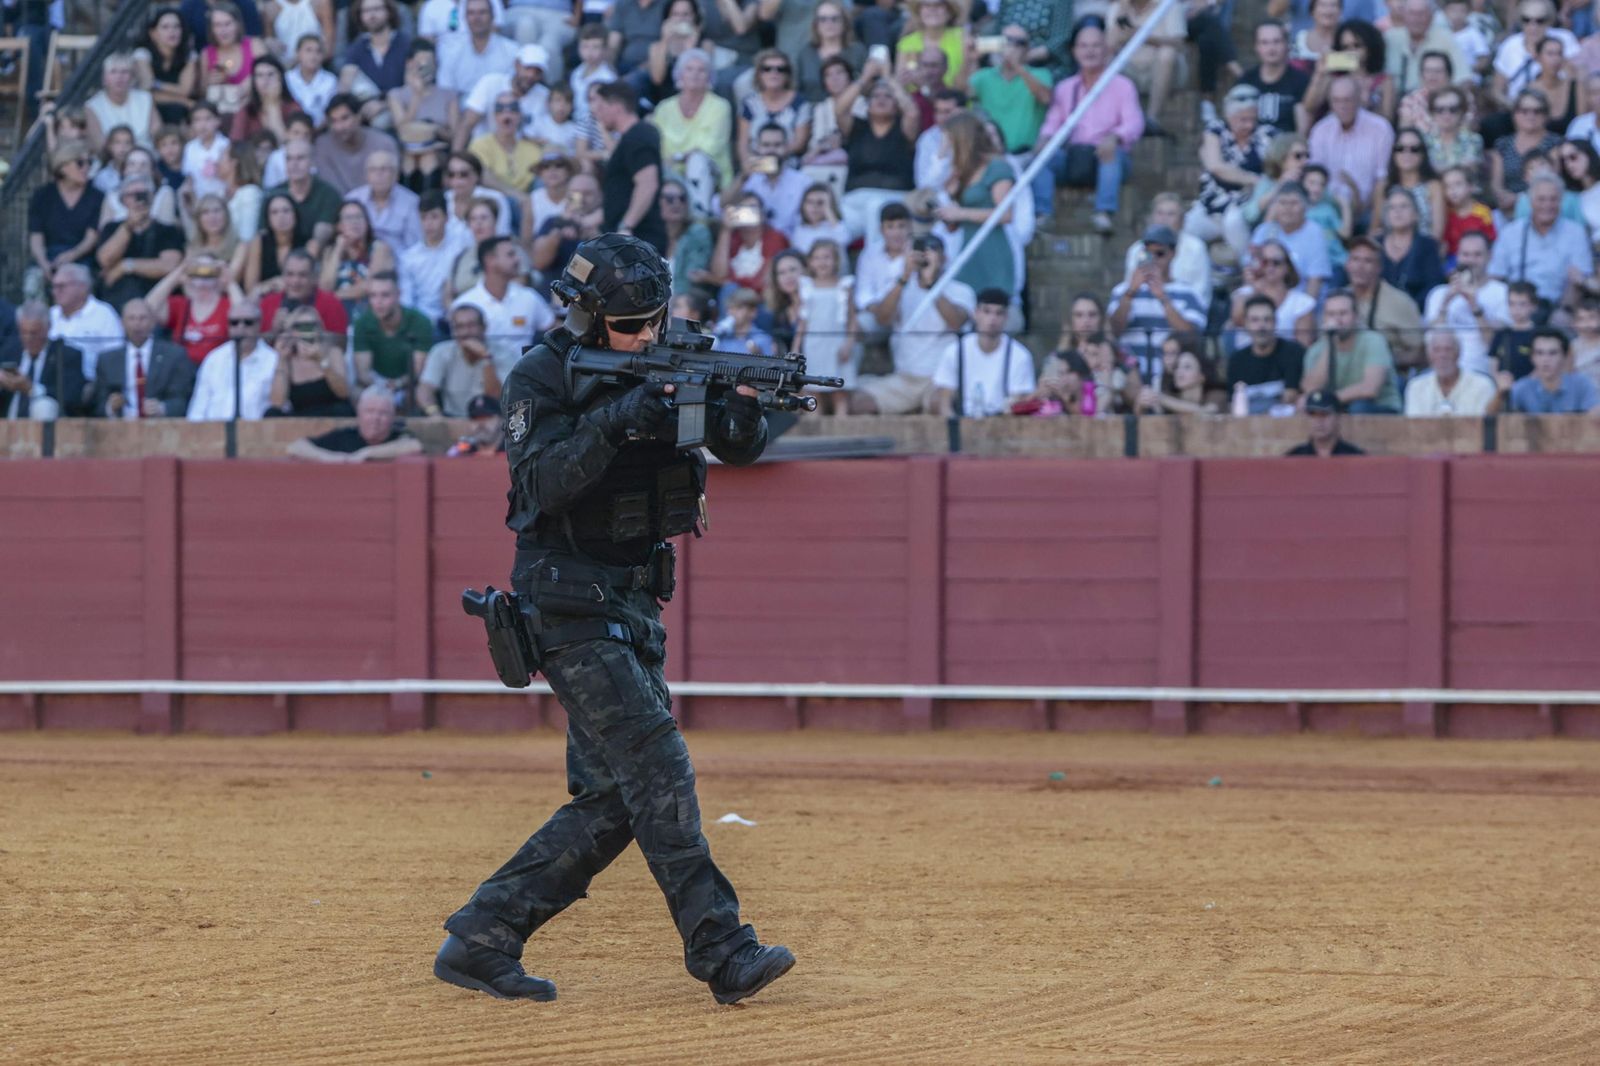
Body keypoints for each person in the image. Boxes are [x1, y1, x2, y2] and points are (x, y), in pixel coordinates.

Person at [434, 231, 792, 1007]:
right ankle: (722, 948)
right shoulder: (540, 376)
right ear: (590, 317)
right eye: (632, 327)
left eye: (656, 321)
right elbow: (539, 484)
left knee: (611, 801)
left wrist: (739, 412)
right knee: (657, 766)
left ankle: (485, 934)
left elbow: (735, 448)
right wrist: (623, 414)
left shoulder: (667, 359)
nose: (649, 337)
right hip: (564, 598)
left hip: (631, 600)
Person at [1031, 22, 1144, 234]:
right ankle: (1043, 215)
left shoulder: (1122, 85)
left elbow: (1134, 123)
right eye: (1083, 46)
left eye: (1095, 46)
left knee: (1110, 153)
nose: (1089, 51)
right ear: (1075, 51)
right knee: (1041, 158)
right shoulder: (1066, 87)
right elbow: (1053, 124)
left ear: (1105, 49)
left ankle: (1104, 213)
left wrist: (1115, 137)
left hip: (1109, 156)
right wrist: (1044, 140)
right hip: (1075, 157)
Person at [853, 233, 974, 414]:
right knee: (859, 403)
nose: (925, 258)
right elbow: (882, 319)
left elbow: (955, 322)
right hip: (905, 379)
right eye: (920, 253)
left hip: (941, 380)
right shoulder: (900, 288)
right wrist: (904, 277)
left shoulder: (961, 290)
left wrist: (932, 284)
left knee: (939, 405)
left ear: (945, 258)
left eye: (931, 253)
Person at [833, 54, 920, 245]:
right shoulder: (857, 128)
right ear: (867, 104)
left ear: (897, 104)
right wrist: (865, 78)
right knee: (834, 234)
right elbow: (839, 109)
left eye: (888, 96)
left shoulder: (902, 130)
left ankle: (874, 264)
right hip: (854, 202)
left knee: (876, 208)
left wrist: (889, 78)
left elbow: (912, 112)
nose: (881, 100)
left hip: (895, 198)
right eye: (876, 96)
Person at [1107, 224, 1207, 384]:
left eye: (1159, 254)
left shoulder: (1190, 294)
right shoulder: (1121, 291)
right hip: (1130, 380)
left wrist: (1163, 298)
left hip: (1172, 381)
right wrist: (1130, 292)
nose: (1152, 259)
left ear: (1173, 254)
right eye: (1147, 253)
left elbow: (1191, 337)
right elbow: (1113, 331)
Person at [935, 111, 1017, 301]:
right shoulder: (961, 171)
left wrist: (961, 213)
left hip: (991, 247)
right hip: (964, 245)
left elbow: (1006, 214)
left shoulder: (997, 167)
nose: (947, 145)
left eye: (949, 140)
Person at [1487, 172, 1593, 312]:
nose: (1547, 205)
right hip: (1517, 309)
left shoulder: (1576, 233)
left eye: (1553, 199)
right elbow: (1496, 275)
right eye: (1541, 199)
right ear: (1530, 202)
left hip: (1558, 308)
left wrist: (1564, 311)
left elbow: (1578, 280)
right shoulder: (1510, 232)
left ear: (1561, 201)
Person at [1189, 83, 1274, 256]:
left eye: (1252, 119)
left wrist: (1231, 173)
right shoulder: (1216, 130)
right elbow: (1216, 167)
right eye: (1243, 119)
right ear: (1229, 116)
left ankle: (1248, 268)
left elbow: (1273, 173)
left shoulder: (1267, 134)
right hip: (1212, 203)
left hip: (1247, 204)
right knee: (1189, 228)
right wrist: (1253, 179)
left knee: (1233, 222)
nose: (1249, 125)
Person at [650, 49, 732, 219]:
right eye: (689, 69)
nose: (695, 75)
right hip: (670, 169)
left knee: (697, 162)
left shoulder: (720, 106)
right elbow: (657, 144)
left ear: (709, 77)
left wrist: (678, 157)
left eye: (701, 70)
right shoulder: (664, 108)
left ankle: (699, 219)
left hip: (710, 171)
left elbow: (711, 146)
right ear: (679, 75)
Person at [931, 287, 1036, 417]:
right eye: (986, 312)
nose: (992, 319)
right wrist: (954, 428)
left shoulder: (1020, 355)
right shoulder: (955, 351)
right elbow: (944, 396)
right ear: (976, 313)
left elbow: (1019, 399)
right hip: (963, 420)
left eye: (999, 313)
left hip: (1002, 423)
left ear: (1006, 317)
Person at [592, 82, 667, 254]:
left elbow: (648, 183)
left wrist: (626, 226)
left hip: (639, 240)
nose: (598, 113)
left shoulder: (638, 135)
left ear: (616, 107)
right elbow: (620, 196)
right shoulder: (629, 139)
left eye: (602, 107)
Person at [1307, 74, 1393, 222]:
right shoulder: (1320, 130)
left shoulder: (1380, 129)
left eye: (1348, 100)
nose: (1342, 106)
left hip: (1366, 211)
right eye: (1337, 100)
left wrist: (1374, 226)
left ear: (1359, 99)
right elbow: (1314, 177)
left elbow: (1381, 181)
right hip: (1327, 209)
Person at [1300, 289, 1402, 413]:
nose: (1337, 320)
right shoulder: (1316, 350)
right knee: (1305, 408)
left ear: (1355, 316)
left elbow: (1370, 388)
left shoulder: (1374, 341)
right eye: (1331, 314)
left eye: (1343, 313)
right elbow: (1311, 390)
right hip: (1334, 410)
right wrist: (1330, 344)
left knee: (1358, 407)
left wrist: (1330, 400)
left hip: (1379, 409)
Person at [92, 298, 196, 419]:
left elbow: (182, 398)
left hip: (161, 427)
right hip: (121, 428)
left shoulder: (174, 355)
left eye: (143, 318)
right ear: (122, 323)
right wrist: (110, 407)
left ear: (153, 322)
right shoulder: (107, 360)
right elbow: (97, 403)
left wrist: (162, 408)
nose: (137, 323)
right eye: (131, 318)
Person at [1422, 230, 1507, 377]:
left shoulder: (1502, 292)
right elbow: (1430, 343)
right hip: (1440, 373)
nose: (1470, 261)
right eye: (1465, 255)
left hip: (1481, 373)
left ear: (1489, 256)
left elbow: (1496, 346)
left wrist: (1475, 306)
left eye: (1477, 255)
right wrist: (1446, 303)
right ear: (1457, 256)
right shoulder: (1438, 294)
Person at [95, 176, 186, 312]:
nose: (139, 199)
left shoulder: (168, 230)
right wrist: (129, 226)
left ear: (153, 197)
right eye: (133, 195)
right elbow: (105, 259)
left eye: (144, 194)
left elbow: (169, 266)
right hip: (117, 298)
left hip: (155, 301)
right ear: (123, 200)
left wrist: (126, 265)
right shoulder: (111, 228)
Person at [29, 142, 106, 293]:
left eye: (89, 162)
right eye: (80, 163)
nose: (86, 168)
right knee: (32, 283)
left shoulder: (97, 196)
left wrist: (71, 255)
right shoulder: (42, 196)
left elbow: (91, 238)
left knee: (78, 282)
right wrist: (43, 263)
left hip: (82, 258)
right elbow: (36, 237)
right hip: (49, 256)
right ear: (62, 166)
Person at [416, 302, 519, 415]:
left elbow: (498, 398)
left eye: (471, 325)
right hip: (454, 421)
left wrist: (486, 358)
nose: (465, 332)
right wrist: (434, 414)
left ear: (484, 327)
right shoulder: (441, 352)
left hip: (494, 421)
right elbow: (425, 389)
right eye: (459, 327)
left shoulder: (504, 354)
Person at [965, 24, 1053, 155]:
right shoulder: (983, 76)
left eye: (1019, 43)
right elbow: (964, 95)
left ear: (1028, 48)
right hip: (991, 154)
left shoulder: (1040, 74)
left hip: (1026, 155)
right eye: (1005, 41)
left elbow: (1045, 98)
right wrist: (970, 60)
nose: (1011, 47)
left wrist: (1017, 65)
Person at [453, 235, 557, 345]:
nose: (517, 259)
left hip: (523, 362)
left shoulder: (529, 297)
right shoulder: (463, 303)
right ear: (490, 260)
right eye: (510, 255)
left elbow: (554, 329)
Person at [186, 300, 279, 419]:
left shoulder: (273, 360)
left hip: (257, 435)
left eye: (248, 322)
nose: (241, 327)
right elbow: (198, 408)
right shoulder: (214, 358)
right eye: (234, 323)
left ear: (259, 325)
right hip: (213, 434)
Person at [1345, 236, 1425, 371]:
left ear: (1379, 267)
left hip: (1389, 374)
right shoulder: (1338, 299)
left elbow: (1420, 353)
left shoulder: (1400, 302)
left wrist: (1384, 359)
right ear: (1347, 265)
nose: (1359, 267)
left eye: (1368, 261)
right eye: (1355, 259)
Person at [1, 303, 87, 421]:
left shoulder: (65, 355)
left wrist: (31, 389)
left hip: (51, 422)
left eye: (34, 333)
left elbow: (71, 397)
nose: (28, 338)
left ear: (48, 328)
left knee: (43, 407)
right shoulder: (10, 351)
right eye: (23, 332)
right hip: (8, 421)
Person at [457, 44, 553, 149]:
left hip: (523, 156)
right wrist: (455, 157)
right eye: (527, 68)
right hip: (484, 151)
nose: (531, 75)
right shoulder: (490, 83)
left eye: (537, 71)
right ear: (517, 65)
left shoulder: (545, 96)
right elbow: (468, 123)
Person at [401, 190, 472, 325]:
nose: (428, 224)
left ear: (447, 218)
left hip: (458, 318)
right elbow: (407, 300)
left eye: (434, 217)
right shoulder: (408, 258)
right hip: (422, 322)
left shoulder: (462, 244)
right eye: (423, 218)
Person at [353, 271, 434, 391]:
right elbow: (363, 373)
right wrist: (381, 389)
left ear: (398, 295)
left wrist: (397, 385)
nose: (378, 302)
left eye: (385, 295)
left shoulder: (420, 322)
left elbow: (417, 371)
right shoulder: (362, 323)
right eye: (373, 296)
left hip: (409, 387)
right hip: (376, 385)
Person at [266, 306, 354, 415]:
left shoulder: (333, 352)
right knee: (271, 413)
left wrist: (321, 360)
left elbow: (344, 393)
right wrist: (282, 359)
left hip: (332, 413)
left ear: (319, 329)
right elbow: (277, 402)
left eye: (311, 325)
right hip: (301, 416)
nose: (306, 331)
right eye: (299, 326)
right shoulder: (288, 358)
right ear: (292, 331)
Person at [262, 137, 342, 253]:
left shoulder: (328, 194)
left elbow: (321, 236)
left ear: (312, 161)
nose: (294, 164)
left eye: (300, 158)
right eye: (289, 159)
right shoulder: (272, 195)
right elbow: (262, 234)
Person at [48, 264, 125, 385]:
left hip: (91, 384)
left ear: (83, 287)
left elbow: (115, 356)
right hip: (51, 382)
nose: (56, 292)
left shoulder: (103, 314)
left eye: (61, 286)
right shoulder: (50, 314)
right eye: (54, 287)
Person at [1229, 293, 1305, 412]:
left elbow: (1292, 397)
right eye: (1255, 320)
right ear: (1246, 324)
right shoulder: (1237, 360)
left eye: (1267, 320)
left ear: (1275, 322)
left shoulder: (1294, 353)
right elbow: (1233, 405)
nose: (1261, 326)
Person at [736, 123, 813, 238]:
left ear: (786, 147)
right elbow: (720, 209)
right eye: (766, 145)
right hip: (755, 245)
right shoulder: (748, 180)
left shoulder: (803, 183)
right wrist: (742, 177)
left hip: (792, 247)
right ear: (757, 147)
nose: (771, 150)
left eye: (777, 145)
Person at [1377, 185, 1446, 310]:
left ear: (1416, 214)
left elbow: (1434, 284)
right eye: (1392, 207)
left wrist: (1409, 307)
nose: (1398, 211)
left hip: (1416, 314)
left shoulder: (1427, 245)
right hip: (1379, 313)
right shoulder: (1376, 244)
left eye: (1404, 206)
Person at [314, 94, 398, 195]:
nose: (339, 127)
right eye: (334, 121)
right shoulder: (323, 145)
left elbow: (389, 185)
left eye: (344, 118)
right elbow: (331, 189)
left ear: (358, 117)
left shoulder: (384, 143)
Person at [1384, 0, 1468, 100]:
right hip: (1394, 103)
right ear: (1404, 15)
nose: (1416, 19)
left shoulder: (1444, 39)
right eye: (1412, 13)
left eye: (1421, 14)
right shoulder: (1390, 38)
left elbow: (1464, 78)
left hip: (1433, 104)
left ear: (1431, 17)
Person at [1404, 328, 1499, 415]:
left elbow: (1482, 426)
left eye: (1448, 349)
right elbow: (1413, 428)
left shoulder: (1482, 385)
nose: (1442, 355)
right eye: (1436, 350)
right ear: (1429, 355)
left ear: (1458, 353)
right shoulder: (1416, 387)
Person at [1241, 20, 1309, 137]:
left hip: (1285, 148)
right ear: (1256, 47)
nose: (1271, 48)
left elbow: (1302, 131)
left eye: (1276, 42)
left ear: (1286, 44)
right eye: (1264, 43)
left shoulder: (1301, 80)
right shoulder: (1246, 81)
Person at [346, 149, 422, 253]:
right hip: (359, 259)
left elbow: (414, 246)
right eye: (373, 170)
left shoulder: (412, 202)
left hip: (397, 263)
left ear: (396, 174)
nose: (379, 174)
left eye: (384, 169)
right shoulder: (353, 199)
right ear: (366, 175)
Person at [261, 248, 351, 335]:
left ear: (314, 277)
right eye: (290, 274)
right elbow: (254, 346)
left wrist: (318, 333)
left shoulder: (331, 304)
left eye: (302, 275)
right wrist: (273, 332)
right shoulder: (267, 304)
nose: (295, 281)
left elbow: (341, 344)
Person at [1509, 328, 1600, 411]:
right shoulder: (1522, 388)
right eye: (1540, 353)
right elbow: (1499, 418)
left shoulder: (1581, 384)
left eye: (1553, 353)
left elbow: (1595, 418)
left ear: (1564, 356)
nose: (1546, 359)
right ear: (1532, 357)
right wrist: (1500, 394)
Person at [86, 52, 160, 151]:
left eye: (124, 72)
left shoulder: (145, 98)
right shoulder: (92, 106)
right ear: (104, 79)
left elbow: (157, 133)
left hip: (144, 154)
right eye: (113, 72)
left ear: (132, 77)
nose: (119, 77)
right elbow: (99, 143)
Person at [340, 0, 412, 100]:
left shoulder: (406, 44)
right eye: (366, 11)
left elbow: (413, 89)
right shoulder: (356, 48)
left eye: (377, 9)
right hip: (367, 110)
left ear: (389, 11)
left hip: (402, 109)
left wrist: (384, 105)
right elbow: (344, 89)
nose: (372, 15)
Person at [1286, 388, 1366, 454]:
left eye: (1325, 414)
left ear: (1338, 417)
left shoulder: (1354, 456)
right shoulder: (1295, 457)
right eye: (1312, 415)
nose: (1318, 420)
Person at [286, 33, 339, 127]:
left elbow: (332, 112)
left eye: (318, 51)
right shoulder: (287, 78)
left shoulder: (331, 81)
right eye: (308, 50)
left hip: (323, 129)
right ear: (298, 53)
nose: (313, 55)